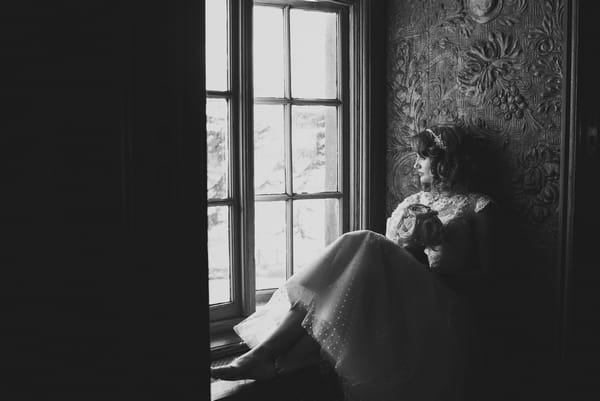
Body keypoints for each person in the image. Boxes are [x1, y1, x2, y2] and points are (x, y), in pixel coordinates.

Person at [211, 125, 495, 401]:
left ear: (445, 161)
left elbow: (489, 279)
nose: (416, 165)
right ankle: (268, 358)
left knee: (364, 242)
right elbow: (382, 265)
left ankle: (264, 357)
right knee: (356, 263)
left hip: (445, 304)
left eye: (423, 157)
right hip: (399, 300)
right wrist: (409, 252)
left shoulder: (477, 206)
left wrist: (427, 263)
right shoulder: (410, 202)